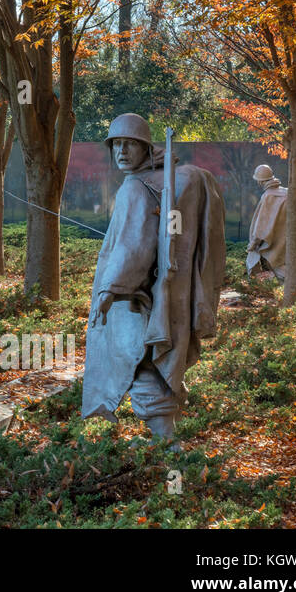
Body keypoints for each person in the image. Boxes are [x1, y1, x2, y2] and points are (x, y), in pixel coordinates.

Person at [82, 113, 225, 446]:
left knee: (142, 364)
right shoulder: (169, 179)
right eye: (116, 144)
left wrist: (109, 289)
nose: (121, 151)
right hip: (170, 296)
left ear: (146, 147)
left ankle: (166, 444)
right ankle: (168, 437)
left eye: (129, 144)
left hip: (137, 300)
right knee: (160, 363)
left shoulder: (136, 187)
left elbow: (135, 245)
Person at [246, 164, 288, 282]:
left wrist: (253, 243)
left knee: (276, 268)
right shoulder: (287, 193)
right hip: (286, 241)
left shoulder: (268, 196)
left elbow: (261, 227)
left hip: (272, 243)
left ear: (260, 182)